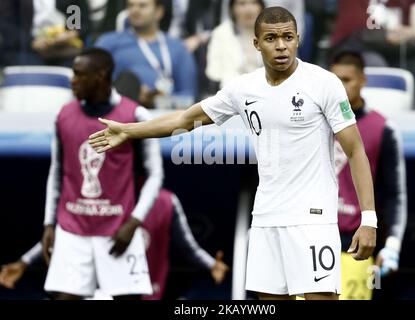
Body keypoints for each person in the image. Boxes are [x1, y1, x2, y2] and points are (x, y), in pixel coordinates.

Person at [89, 6, 377, 300]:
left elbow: (355, 151)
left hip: (312, 218)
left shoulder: (324, 83)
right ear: (257, 43)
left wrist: (369, 220)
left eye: (288, 37)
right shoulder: (243, 89)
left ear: (298, 39)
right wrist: (128, 131)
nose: (280, 46)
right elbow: (185, 120)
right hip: (266, 216)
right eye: (271, 38)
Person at [41, 47, 164, 300]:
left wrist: (134, 222)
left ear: (101, 76)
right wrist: (49, 223)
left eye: (78, 74)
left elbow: (155, 175)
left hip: (119, 228)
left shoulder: (136, 115)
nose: (72, 80)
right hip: (71, 227)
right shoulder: (63, 114)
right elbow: (57, 172)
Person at [0, 189, 229, 299]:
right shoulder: (97, 199)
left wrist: (211, 265)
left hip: (144, 294)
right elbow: (63, 236)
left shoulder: (166, 201)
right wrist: (23, 263)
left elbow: (188, 247)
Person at [330, 50, 407, 300]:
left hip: (357, 249)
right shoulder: (314, 123)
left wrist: (392, 244)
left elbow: (396, 193)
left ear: (363, 80)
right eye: (335, 80)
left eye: (347, 80)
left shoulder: (383, 128)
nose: (340, 87)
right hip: (313, 242)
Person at [95, 0, 197, 109]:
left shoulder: (178, 48)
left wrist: (156, 101)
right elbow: (91, 85)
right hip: (119, 115)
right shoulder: (108, 43)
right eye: (130, 5)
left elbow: (189, 98)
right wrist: (130, 93)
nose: (135, 10)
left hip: (165, 119)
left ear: (159, 12)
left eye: (142, 6)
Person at [206, 0, 265, 88]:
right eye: (242, 4)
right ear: (232, 8)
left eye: (254, 3)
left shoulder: (273, 31)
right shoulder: (220, 33)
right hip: (231, 92)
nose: (249, 9)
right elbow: (213, 73)